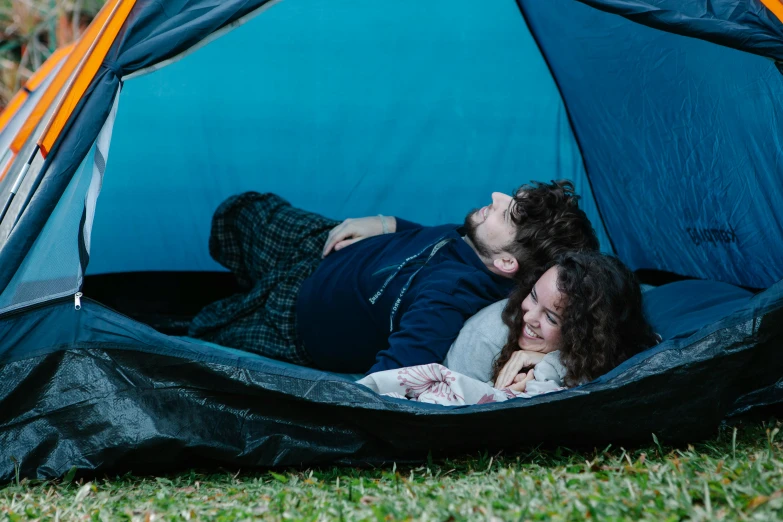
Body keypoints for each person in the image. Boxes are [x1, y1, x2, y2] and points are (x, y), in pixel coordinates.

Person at [189, 180, 599, 374]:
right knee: (238, 210)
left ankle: (246, 293)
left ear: (508, 264)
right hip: (325, 246)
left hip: (290, 317)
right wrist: (387, 223)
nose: (495, 197)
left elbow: (397, 373)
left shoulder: (450, 297)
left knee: (201, 326)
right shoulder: (479, 243)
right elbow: (437, 241)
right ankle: (249, 271)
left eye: (506, 211)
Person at [443, 251, 659, 391]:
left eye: (550, 317)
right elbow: (458, 409)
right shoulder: (485, 339)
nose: (528, 317)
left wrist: (550, 363)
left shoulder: (609, 345)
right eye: (534, 296)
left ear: (585, 334)